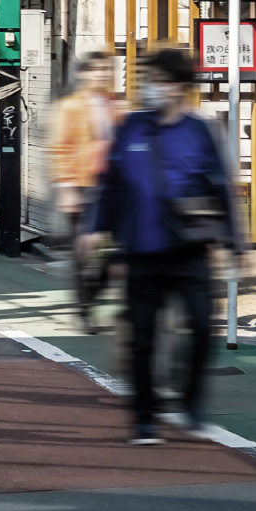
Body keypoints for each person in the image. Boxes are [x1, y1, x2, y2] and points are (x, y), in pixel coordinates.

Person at [83, 47, 237, 446]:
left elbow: (221, 187)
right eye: (148, 79)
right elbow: (111, 183)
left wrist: (234, 242)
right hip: (140, 252)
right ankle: (144, 418)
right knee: (143, 338)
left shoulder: (199, 130)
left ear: (181, 88)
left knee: (203, 327)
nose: (151, 88)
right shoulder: (131, 127)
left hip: (190, 251)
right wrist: (97, 228)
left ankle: (189, 403)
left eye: (159, 81)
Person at [48, 51, 120, 329]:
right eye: (95, 71)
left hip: (110, 187)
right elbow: (60, 147)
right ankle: (83, 311)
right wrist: (66, 187)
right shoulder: (70, 107)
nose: (101, 76)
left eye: (105, 71)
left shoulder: (114, 105)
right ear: (84, 74)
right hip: (80, 184)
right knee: (82, 251)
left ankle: (90, 297)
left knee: (115, 251)